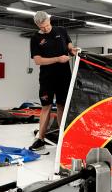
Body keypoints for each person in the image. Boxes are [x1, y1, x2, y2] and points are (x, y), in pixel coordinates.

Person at [29, 11, 77, 151]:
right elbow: (38, 60)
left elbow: (68, 44)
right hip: (47, 78)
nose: (46, 29)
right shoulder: (35, 38)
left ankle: (63, 138)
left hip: (64, 76)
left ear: (49, 20)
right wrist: (57, 59)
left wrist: (72, 50)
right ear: (37, 25)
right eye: (42, 27)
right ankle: (40, 139)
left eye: (47, 25)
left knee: (62, 106)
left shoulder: (61, 30)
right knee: (46, 107)